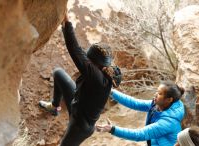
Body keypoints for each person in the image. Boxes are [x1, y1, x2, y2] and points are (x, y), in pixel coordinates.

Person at [38, 11, 122, 146]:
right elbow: (82, 54)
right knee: (59, 73)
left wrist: (66, 22)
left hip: (80, 126)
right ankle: (54, 107)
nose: (87, 61)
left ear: (96, 64)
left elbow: (75, 50)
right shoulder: (102, 69)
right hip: (76, 103)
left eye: (89, 60)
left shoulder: (97, 79)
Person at [96, 81, 185, 146]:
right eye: (157, 91)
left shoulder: (168, 123)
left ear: (169, 99)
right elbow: (135, 103)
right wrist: (111, 92)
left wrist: (112, 129)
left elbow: (139, 134)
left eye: (160, 93)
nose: (156, 94)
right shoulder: (158, 105)